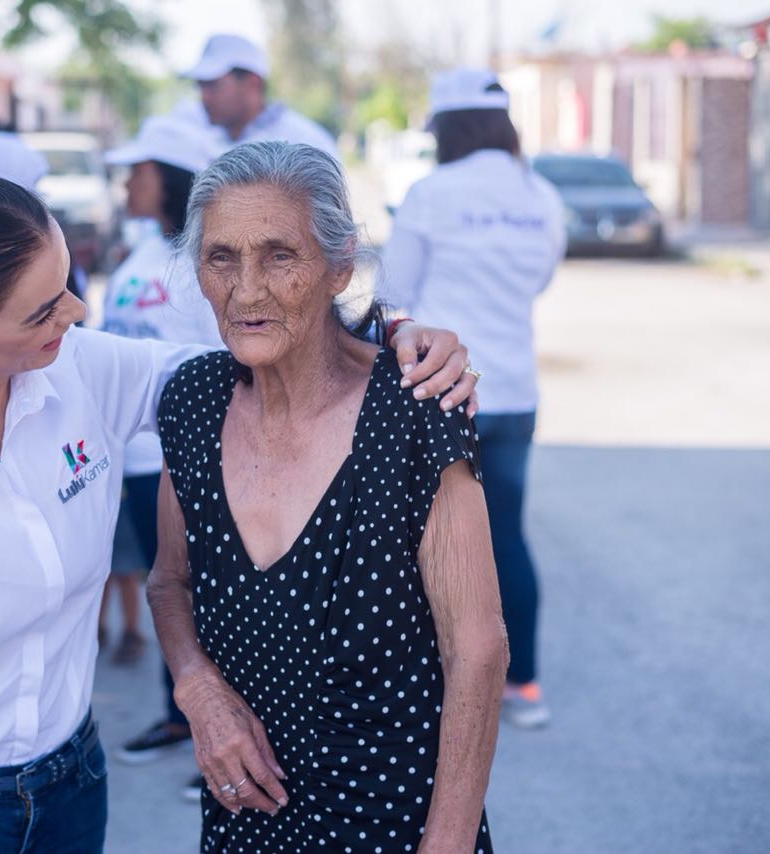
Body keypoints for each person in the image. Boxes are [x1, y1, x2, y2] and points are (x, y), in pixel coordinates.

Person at [0, 168, 475, 854]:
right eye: (43, 310)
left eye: (67, 285)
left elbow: (243, 364)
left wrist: (391, 339)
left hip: (73, 788)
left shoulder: (76, 370)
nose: (75, 313)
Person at [147, 141, 505, 854]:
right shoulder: (193, 401)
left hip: (396, 828)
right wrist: (196, 688)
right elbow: (169, 583)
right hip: (244, 825)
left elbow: (478, 649)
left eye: (279, 255)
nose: (247, 290)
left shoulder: (414, 407)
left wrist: (448, 843)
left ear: (340, 264)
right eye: (221, 258)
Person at [381, 68, 566, 729]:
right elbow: (542, 277)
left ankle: (436, 685)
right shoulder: (539, 194)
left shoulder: (431, 193)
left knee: (424, 543)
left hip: (439, 391)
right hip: (514, 392)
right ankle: (524, 688)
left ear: (447, 127)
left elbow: (390, 292)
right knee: (505, 537)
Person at [97, 115, 222, 762]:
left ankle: (230, 740)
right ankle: (181, 715)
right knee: (167, 592)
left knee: (214, 602)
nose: (126, 185)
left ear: (170, 176)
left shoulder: (213, 251)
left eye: (137, 172)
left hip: (201, 460)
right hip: (137, 461)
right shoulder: (139, 254)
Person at [184, 33, 338, 160]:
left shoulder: (306, 144)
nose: (204, 97)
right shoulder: (199, 139)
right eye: (200, 86)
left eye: (212, 85)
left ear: (252, 83)